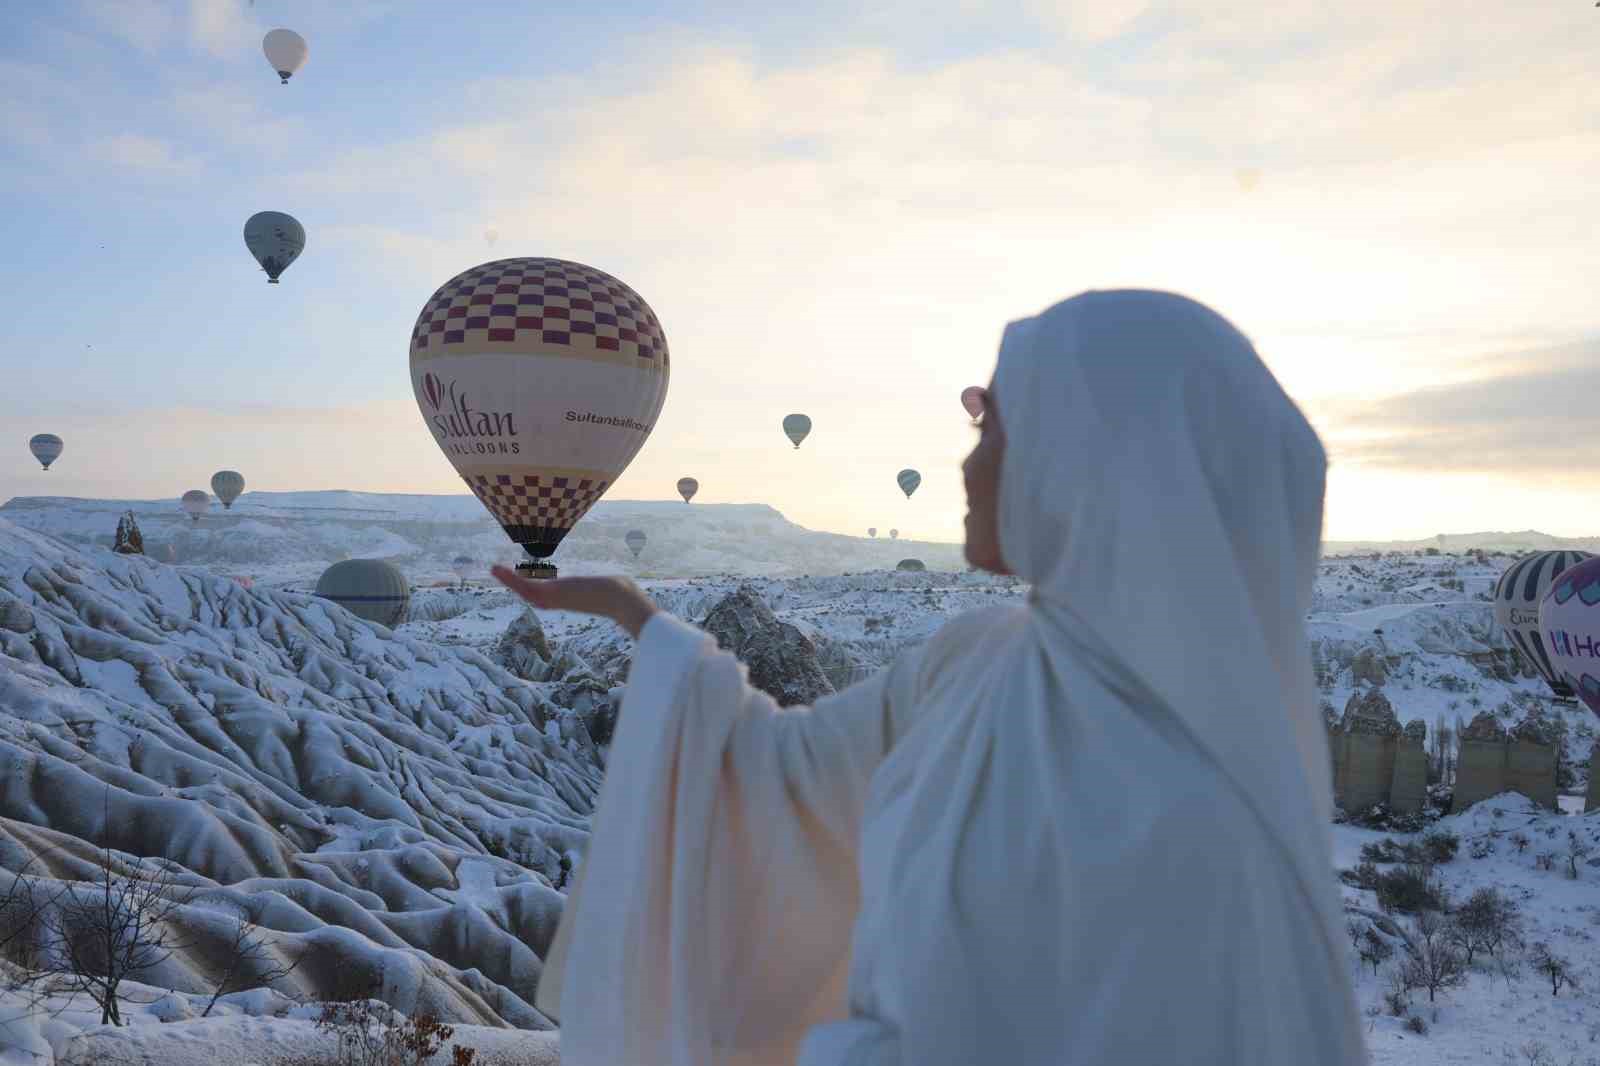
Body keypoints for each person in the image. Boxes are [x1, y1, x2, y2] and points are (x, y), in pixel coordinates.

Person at [494, 289, 1367, 1066]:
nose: (968, 463)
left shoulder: (1190, 828)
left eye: (992, 429)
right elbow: (777, 776)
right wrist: (648, 630)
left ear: (1092, 464)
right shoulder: (976, 662)